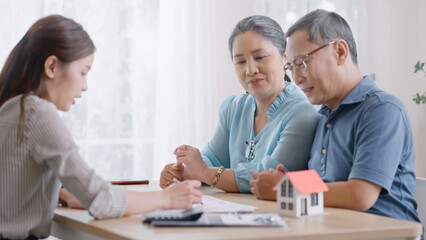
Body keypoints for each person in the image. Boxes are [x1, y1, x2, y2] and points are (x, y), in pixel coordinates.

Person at [0, 15, 202, 240]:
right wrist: (168, 198)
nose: (85, 86)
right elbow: (99, 200)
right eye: (83, 72)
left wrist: (59, 191)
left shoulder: (11, 108)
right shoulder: (37, 113)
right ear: (52, 66)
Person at [250, 9, 421, 225]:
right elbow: (327, 183)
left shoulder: (382, 110)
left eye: (302, 63)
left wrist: (284, 187)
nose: (297, 78)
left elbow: (360, 195)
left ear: (340, 52)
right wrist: (287, 178)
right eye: (291, 68)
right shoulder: (324, 116)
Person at [159, 15, 319, 193]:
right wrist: (185, 172)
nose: (250, 70)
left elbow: (265, 178)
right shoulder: (233, 108)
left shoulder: (303, 113)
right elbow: (213, 159)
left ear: (284, 58)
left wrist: (203, 172)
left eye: (260, 57)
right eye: (240, 62)